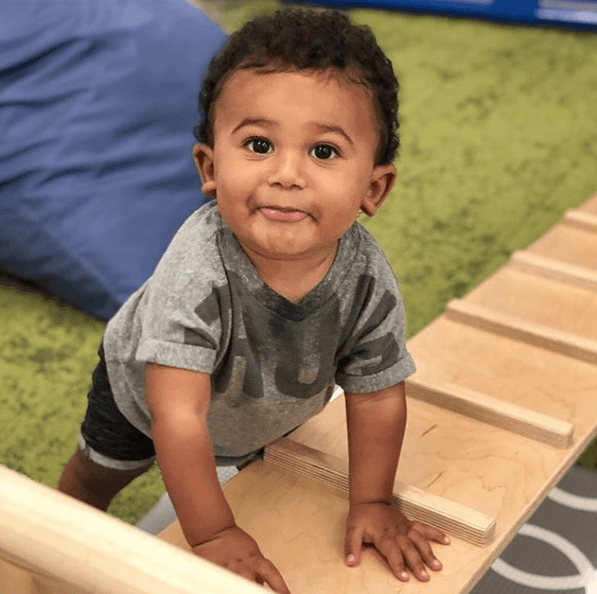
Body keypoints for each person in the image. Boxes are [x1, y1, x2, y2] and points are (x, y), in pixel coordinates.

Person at [58, 8, 450, 593]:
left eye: (323, 152)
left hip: (262, 400)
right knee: (101, 474)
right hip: (145, 399)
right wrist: (213, 534)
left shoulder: (365, 275)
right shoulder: (199, 269)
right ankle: (58, 530)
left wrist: (371, 500)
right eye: (260, 144)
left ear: (374, 187)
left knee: (256, 476)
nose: (286, 174)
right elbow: (178, 416)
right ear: (210, 168)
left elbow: (376, 395)